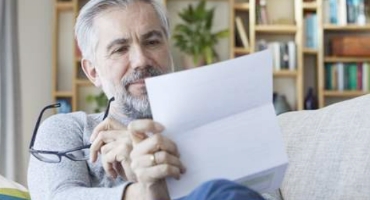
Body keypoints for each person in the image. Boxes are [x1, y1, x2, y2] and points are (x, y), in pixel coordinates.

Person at [27, 0, 266, 199]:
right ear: (93, 72)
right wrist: (146, 191)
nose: (141, 60)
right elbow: (57, 196)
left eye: (152, 42)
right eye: (120, 49)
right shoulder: (67, 130)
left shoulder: (215, 126)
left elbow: (266, 192)